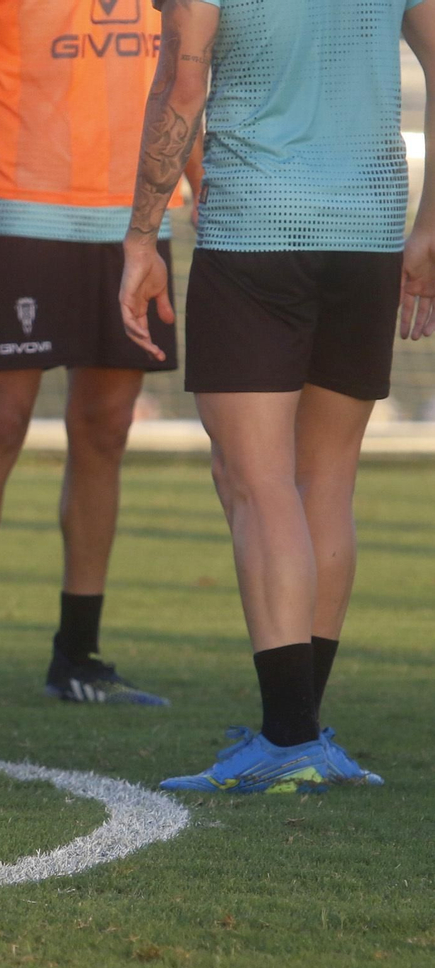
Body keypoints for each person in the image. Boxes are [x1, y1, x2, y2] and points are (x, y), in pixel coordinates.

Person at [117, 0, 435, 791]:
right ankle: (299, 728)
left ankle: (290, 737)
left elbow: (181, 90)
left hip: (256, 228)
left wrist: (139, 237)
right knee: (325, 482)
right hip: (367, 231)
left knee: (259, 487)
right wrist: (431, 221)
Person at [0, 0, 195, 709]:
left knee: (106, 426)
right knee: (0, 421)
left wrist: (202, 175)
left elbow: (185, 68)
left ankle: (79, 654)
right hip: (25, 205)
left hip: (135, 213)